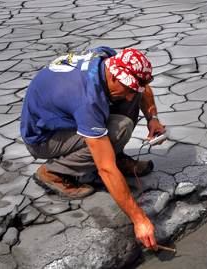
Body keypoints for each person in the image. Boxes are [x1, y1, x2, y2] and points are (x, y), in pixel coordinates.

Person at [20, 46, 165, 251]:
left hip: (65, 112)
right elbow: (106, 168)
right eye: (128, 87)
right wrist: (139, 219)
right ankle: (53, 172)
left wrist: (153, 119)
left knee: (131, 97)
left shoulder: (109, 59)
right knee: (118, 130)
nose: (131, 96)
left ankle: (112, 151)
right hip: (44, 137)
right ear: (115, 77)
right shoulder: (87, 100)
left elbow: (141, 87)